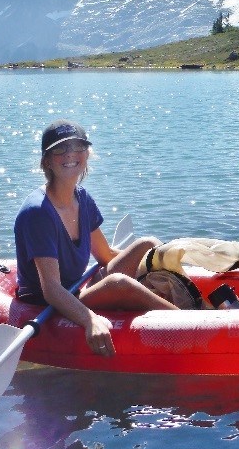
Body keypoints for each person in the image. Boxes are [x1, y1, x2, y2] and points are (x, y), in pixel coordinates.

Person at [14, 119, 178, 358]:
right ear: (46, 160)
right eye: (61, 148)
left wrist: (150, 268)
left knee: (148, 245)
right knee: (119, 284)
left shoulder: (82, 198)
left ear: (87, 154)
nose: (70, 154)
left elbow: (106, 256)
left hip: (75, 291)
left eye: (78, 146)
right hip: (50, 304)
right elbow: (51, 290)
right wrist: (90, 319)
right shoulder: (38, 212)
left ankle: (179, 297)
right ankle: (192, 321)